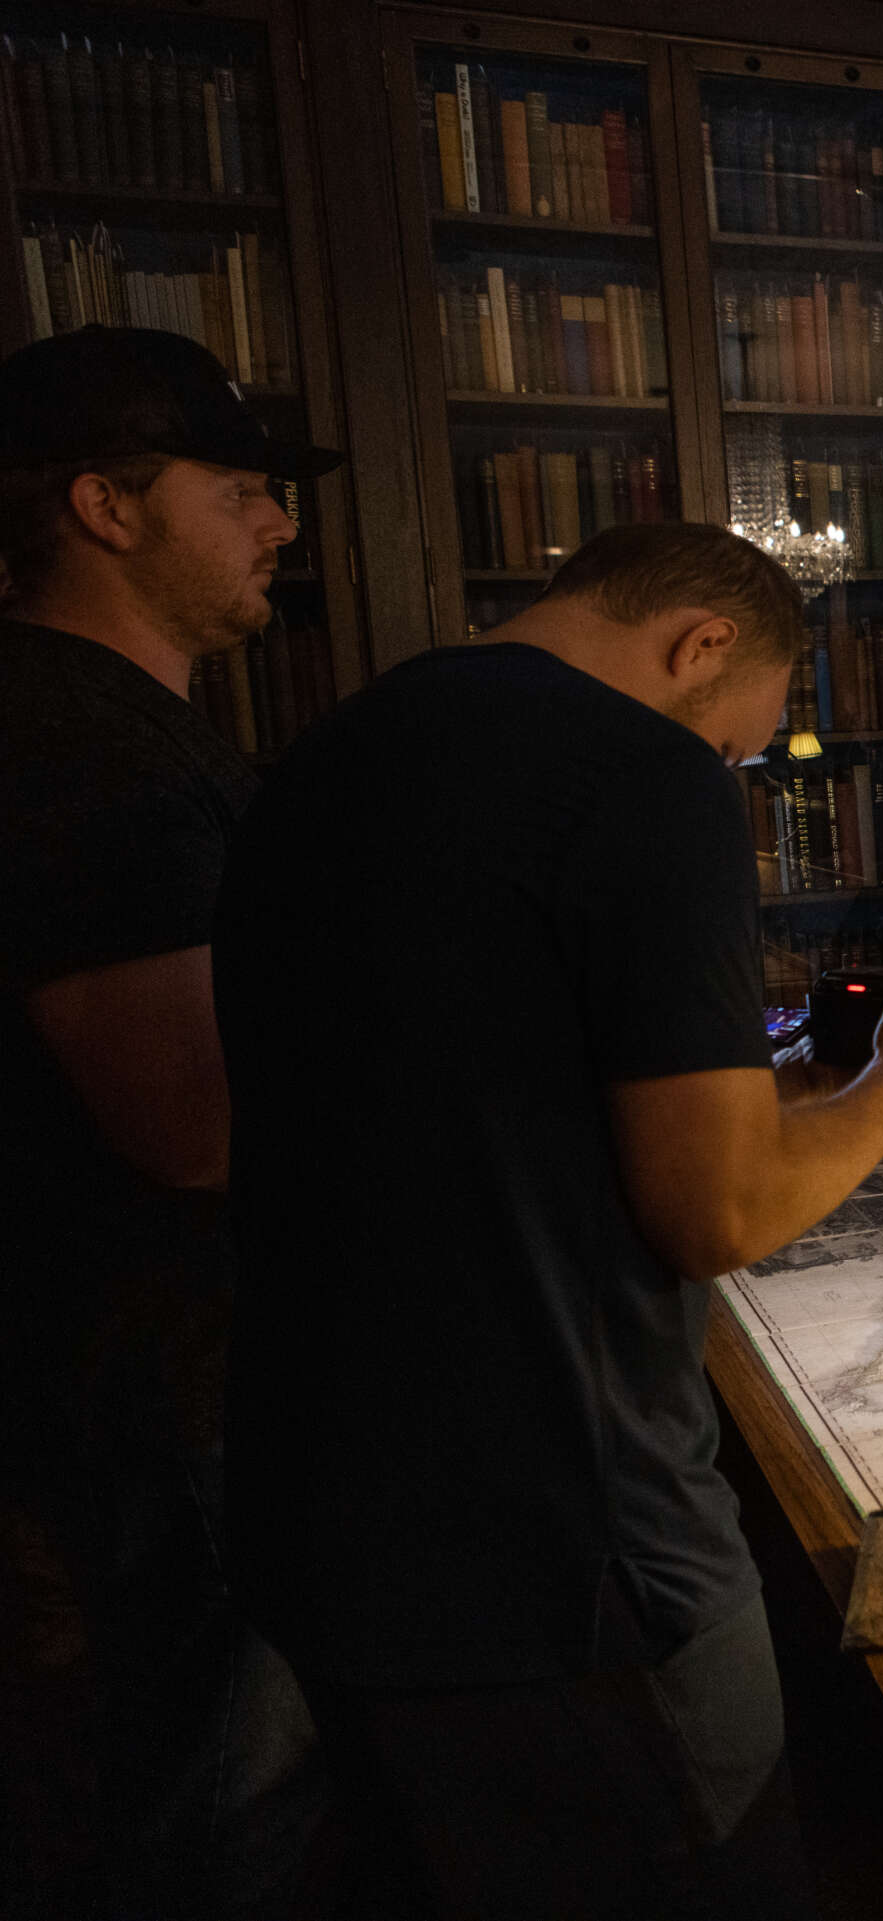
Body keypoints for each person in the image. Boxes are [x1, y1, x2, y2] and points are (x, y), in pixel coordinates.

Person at [212, 521, 883, 1920]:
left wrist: (774, 1086)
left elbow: (489, 1086)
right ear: (701, 645)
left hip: (323, 1515)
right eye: (743, 750)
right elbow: (719, 1205)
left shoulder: (337, 747)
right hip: (565, 1554)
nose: (735, 779)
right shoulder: (641, 775)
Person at [0, 325, 339, 1919]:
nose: (279, 523)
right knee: (222, 1804)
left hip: (162, 1375)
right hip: (162, 1387)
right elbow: (195, 1124)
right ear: (106, 506)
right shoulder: (85, 747)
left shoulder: (112, 721)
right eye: (243, 490)